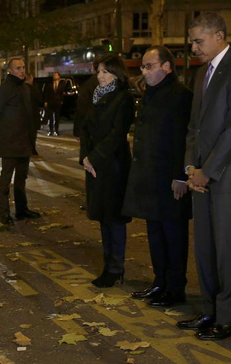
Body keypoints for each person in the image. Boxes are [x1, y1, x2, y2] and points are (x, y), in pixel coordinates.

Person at [178, 12, 231, 340]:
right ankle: (211, 309)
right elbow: (194, 128)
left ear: (219, 37)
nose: (193, 46)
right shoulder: (202, 74)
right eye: (192, 40)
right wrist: (190, 169)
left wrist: (208, 172)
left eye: (198, 40)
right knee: (206, 246)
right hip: (201, 173)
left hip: (229, 171)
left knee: (226, 245)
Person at [122, 46, 193, 307]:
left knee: (174, 236)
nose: (144, 71)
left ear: (167, 67)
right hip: (151, 178)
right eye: (143, 67)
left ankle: (175, 289)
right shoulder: (151, 94)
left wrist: (181, 176)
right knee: (155, 233)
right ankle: (160, 282)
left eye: (149, 66)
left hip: (170, 178)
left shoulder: (180, 95)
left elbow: (183, 139)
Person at [79, 53, 135, 287]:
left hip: (113, 165)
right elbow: (85, 128)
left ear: (116, 73)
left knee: (114, 218)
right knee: (103, 217)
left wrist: (94, 157)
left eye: (105, 71)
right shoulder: (95, 96)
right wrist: (84, 157)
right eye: (98, 71)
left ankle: (115, 268)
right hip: (95, 165)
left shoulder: (123, 98)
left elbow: (117, 135)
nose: (99, 76)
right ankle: (108, 266)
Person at [0, 58, 41, 226]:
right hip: (10, 142)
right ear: (9, 71)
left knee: (21, 179)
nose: (22, 71)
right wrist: (3, 135)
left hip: (24, 141)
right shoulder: (3, 91)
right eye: (18, 68)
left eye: (23, 67)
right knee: (6, 180)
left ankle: (22, 209)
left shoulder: (24, 88)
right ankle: (4, 214)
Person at [43, 72, 67, 136]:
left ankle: (56, 130)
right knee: (50, 117)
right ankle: (51, 130)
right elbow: (46, 93)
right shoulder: (50, 84)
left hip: (58, 102)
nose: (55, 76)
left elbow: (63, 93)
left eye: (56, 75)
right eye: (54, 75)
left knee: (57, 117)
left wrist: (61, 100)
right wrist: (46, 101)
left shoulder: (62, 84)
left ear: (59, 76)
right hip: (50, 102)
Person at [26, 73, 43, 155]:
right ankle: (32, 148)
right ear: (30, 79)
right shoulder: (34, 89)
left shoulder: (20, 88)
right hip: (33, 113)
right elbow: (40, 100)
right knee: (33, 133)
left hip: (24, 114)